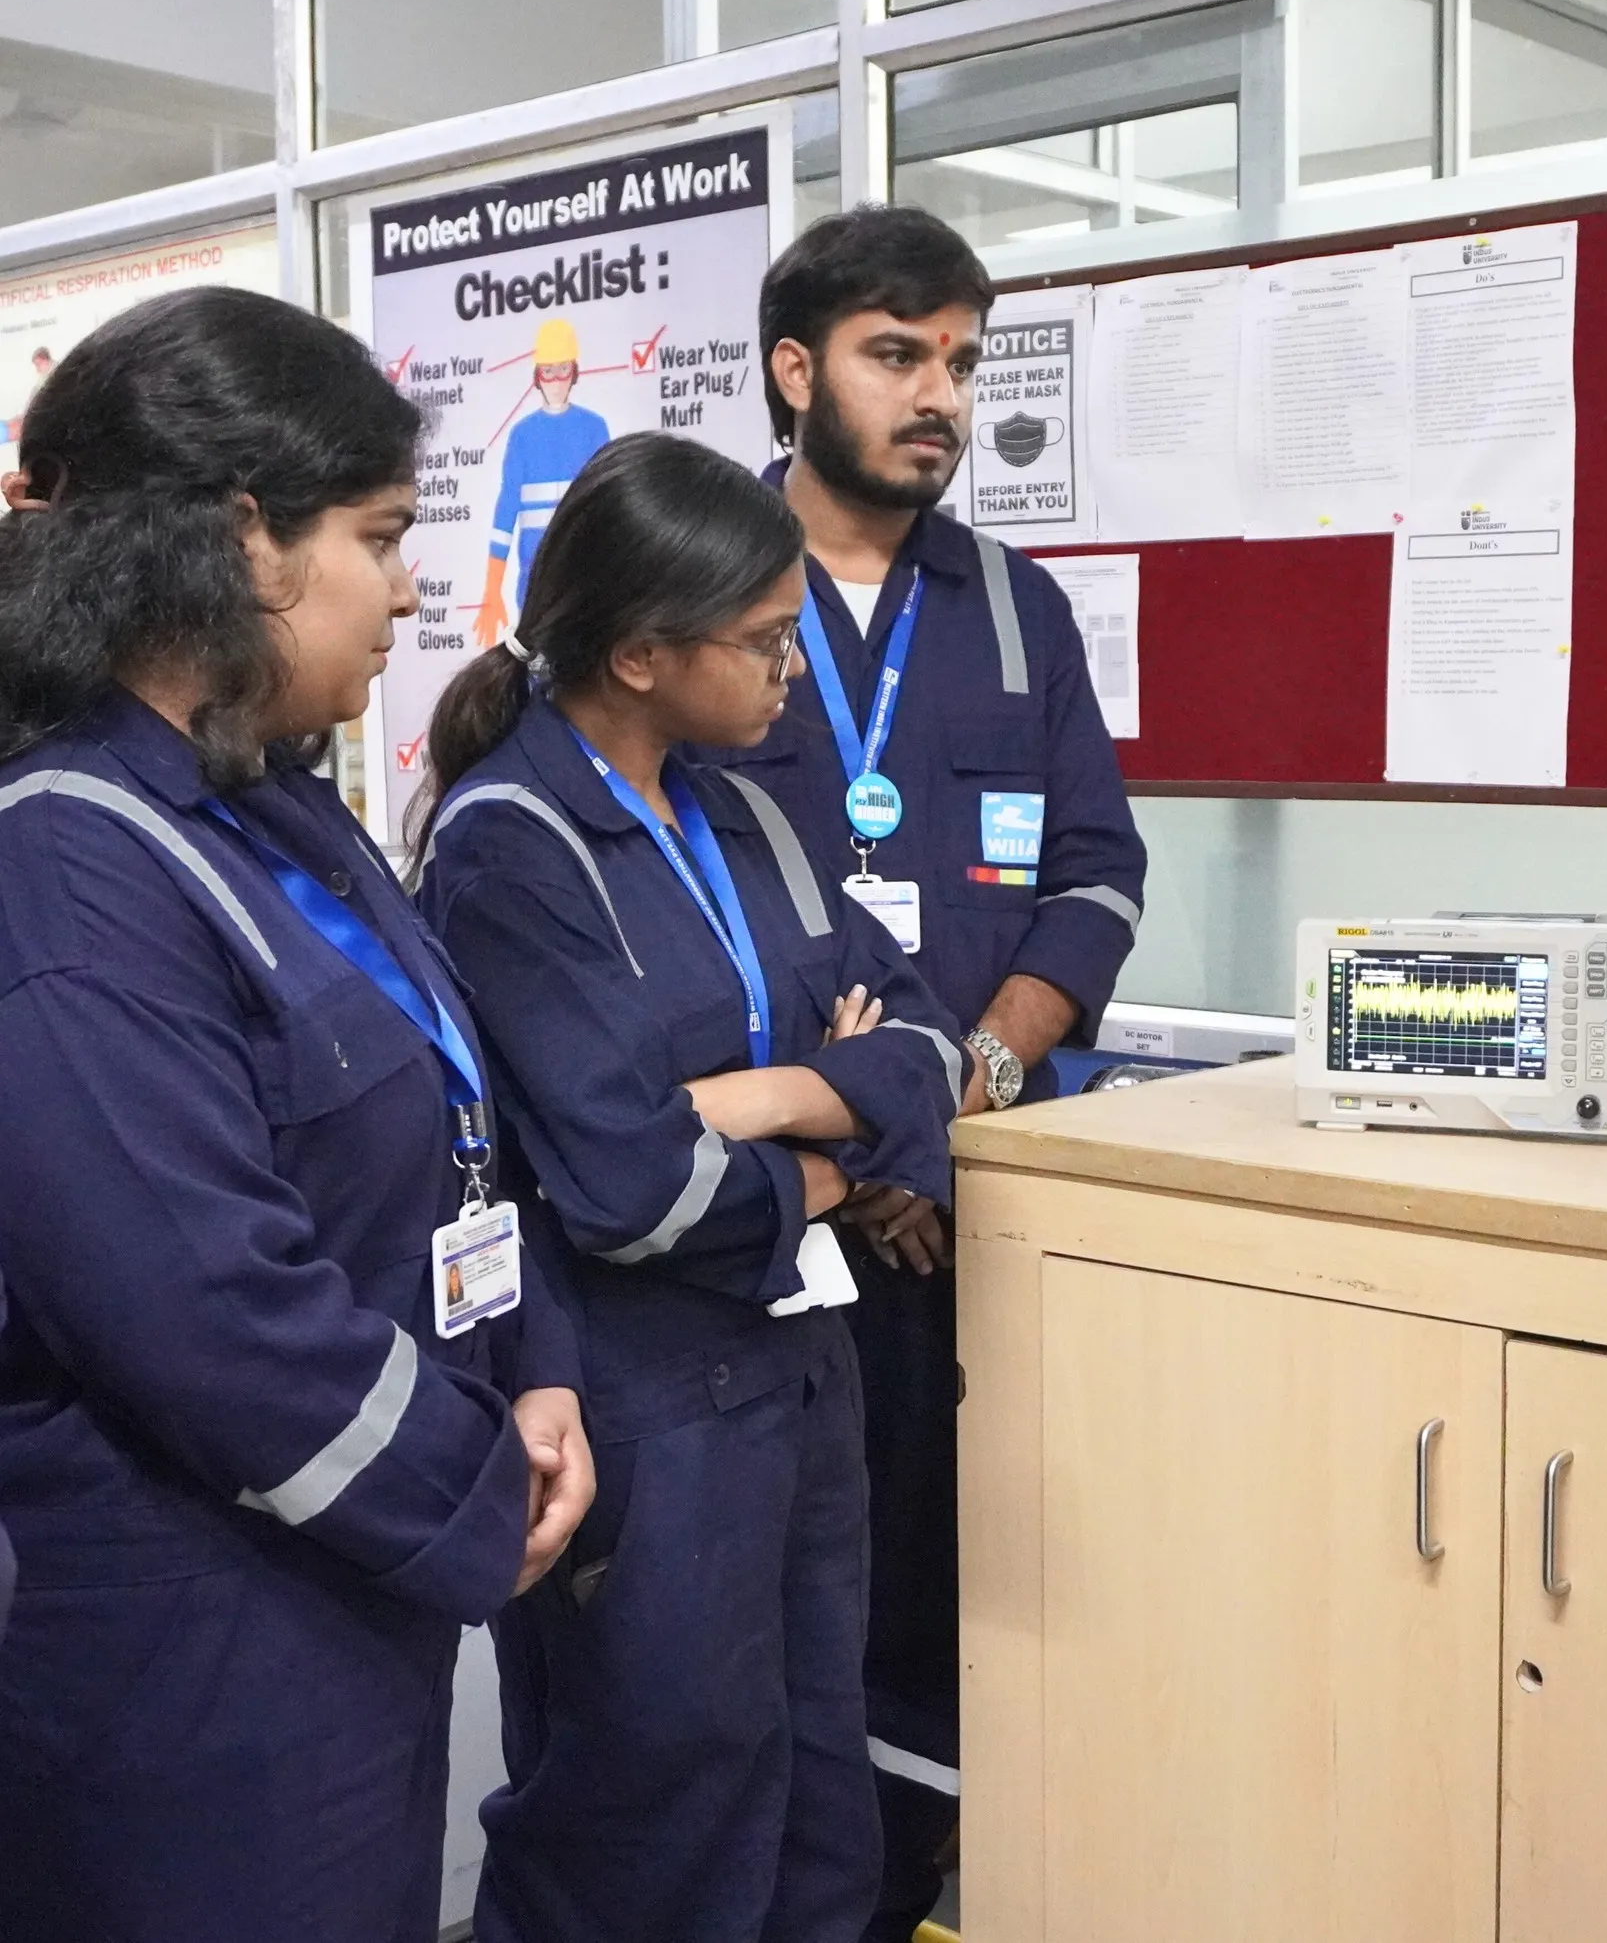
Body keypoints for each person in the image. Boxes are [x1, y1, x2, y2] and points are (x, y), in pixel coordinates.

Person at [0, 286, 592, 1942]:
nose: (411, 589)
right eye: (381, 537)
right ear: (246, 539)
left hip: (345, 1588)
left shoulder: (266, 807)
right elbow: (204, 1308)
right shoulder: (65, 868)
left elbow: (453, 1125)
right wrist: (476, 1485)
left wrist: (533, 1366)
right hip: (193, 1660)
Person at [415, 431, 965, 1943]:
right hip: (639, 1402)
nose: (791, 673)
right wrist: (839, 1137)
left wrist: (771, 1103)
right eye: (767, 641)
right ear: (643, 653)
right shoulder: (511, 848)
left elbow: (926, 1044)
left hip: (798, 1369)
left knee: (817, 1793)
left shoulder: (747, 814)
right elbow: (630, 1187)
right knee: (654, 1819)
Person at [706, 201, 1148, 1937]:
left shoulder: (1017, 612)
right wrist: (873, 1139)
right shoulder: (696, 587)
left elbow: (1097, 879)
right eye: (898, 354)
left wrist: (957, 1087)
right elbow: (678, 894)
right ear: (794, 369)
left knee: (960, 1615)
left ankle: (914, 1897)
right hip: (770, 1228)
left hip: (977, 1214)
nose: (941, 395)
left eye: (962, 360)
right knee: (769, 1632)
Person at [475, 316, 611, 648]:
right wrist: (492, 589)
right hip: (533, 578)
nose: (556, 380)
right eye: (548, 371)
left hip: (583, 571)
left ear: (574, 372)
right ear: (537, 376)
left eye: (563, 369)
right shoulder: (522, 435)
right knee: (538, 659)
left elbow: (609, 505)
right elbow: (506, 512)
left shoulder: (594, 428)